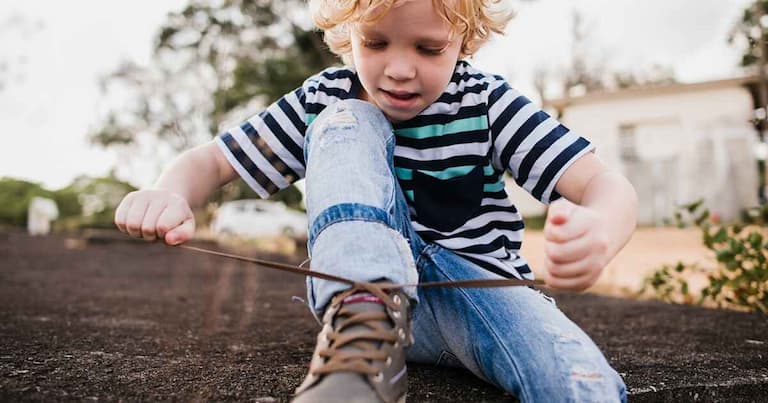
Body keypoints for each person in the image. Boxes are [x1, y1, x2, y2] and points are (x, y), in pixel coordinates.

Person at [114, 0, 637, 401]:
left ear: (464, 42)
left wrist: (602, 229)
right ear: (347, 38)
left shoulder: (485, 101)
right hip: (367, 303)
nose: (399, 69)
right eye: (377, 43)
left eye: (427, 49)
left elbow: (603, 185)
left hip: (478, 293)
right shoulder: (324, 97)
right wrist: (168, 192)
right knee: (347, 119)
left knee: (575, 374)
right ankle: (365, 322)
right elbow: (213, 161)